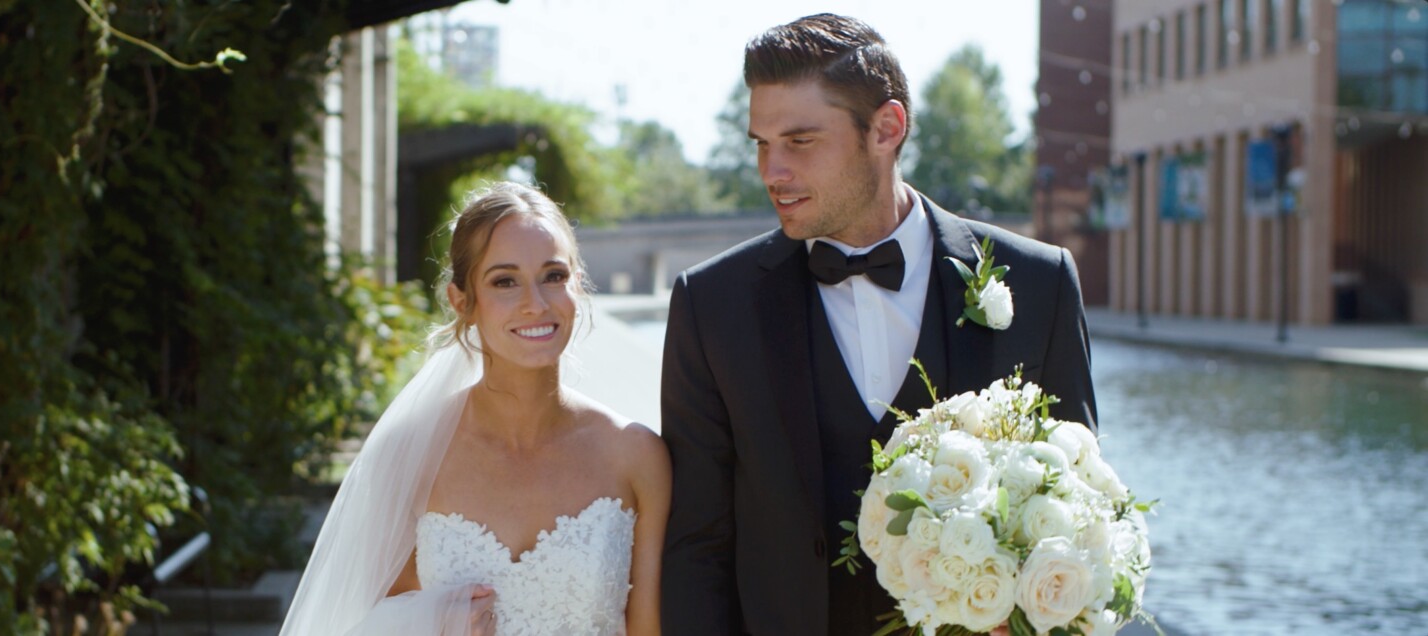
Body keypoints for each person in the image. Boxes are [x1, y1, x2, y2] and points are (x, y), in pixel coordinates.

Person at [660, 14, 1096, 636]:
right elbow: (695, 547)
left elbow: (1076, 511)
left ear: (886, 129)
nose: (771, 171)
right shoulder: (711, 304)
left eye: (800, 142)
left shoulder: (1040, 285)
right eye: (761, 143)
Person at [282, 181, 670, 636]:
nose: (536, 304)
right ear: (462, 301)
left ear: (577, 287)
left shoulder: (637, 456)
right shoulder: (409, 456)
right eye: (505, 281)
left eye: (554, 276)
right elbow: (360, 620)